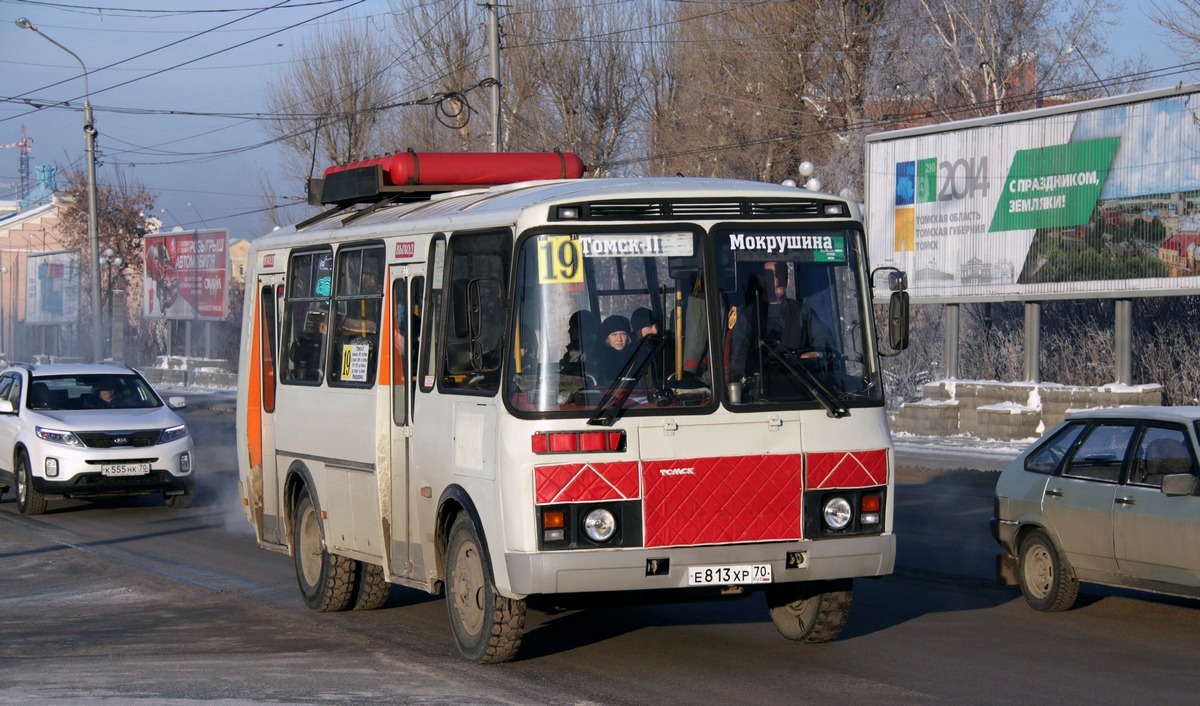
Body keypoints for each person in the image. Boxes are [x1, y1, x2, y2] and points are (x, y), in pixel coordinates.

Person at [727, 260, 834, 386]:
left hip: (802, 387)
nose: (779, 278)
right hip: (762, 393)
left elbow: (825, 339)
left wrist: (818, 353)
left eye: (783, 273)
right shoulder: (748, 316)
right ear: (761, 279)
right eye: (772, 274)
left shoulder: (801, 311)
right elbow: (739, 360)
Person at [590, 315, 633, 386]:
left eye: (623, 334)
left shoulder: (636, 355)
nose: (619, 339)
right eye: (614, 335)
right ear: (606, 338)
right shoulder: (597, 361)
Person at [558, 310, 598, 377]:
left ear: (583, 330)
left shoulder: (594, 353)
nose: (569, 331)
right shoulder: (572, 353)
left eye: (572, 327)